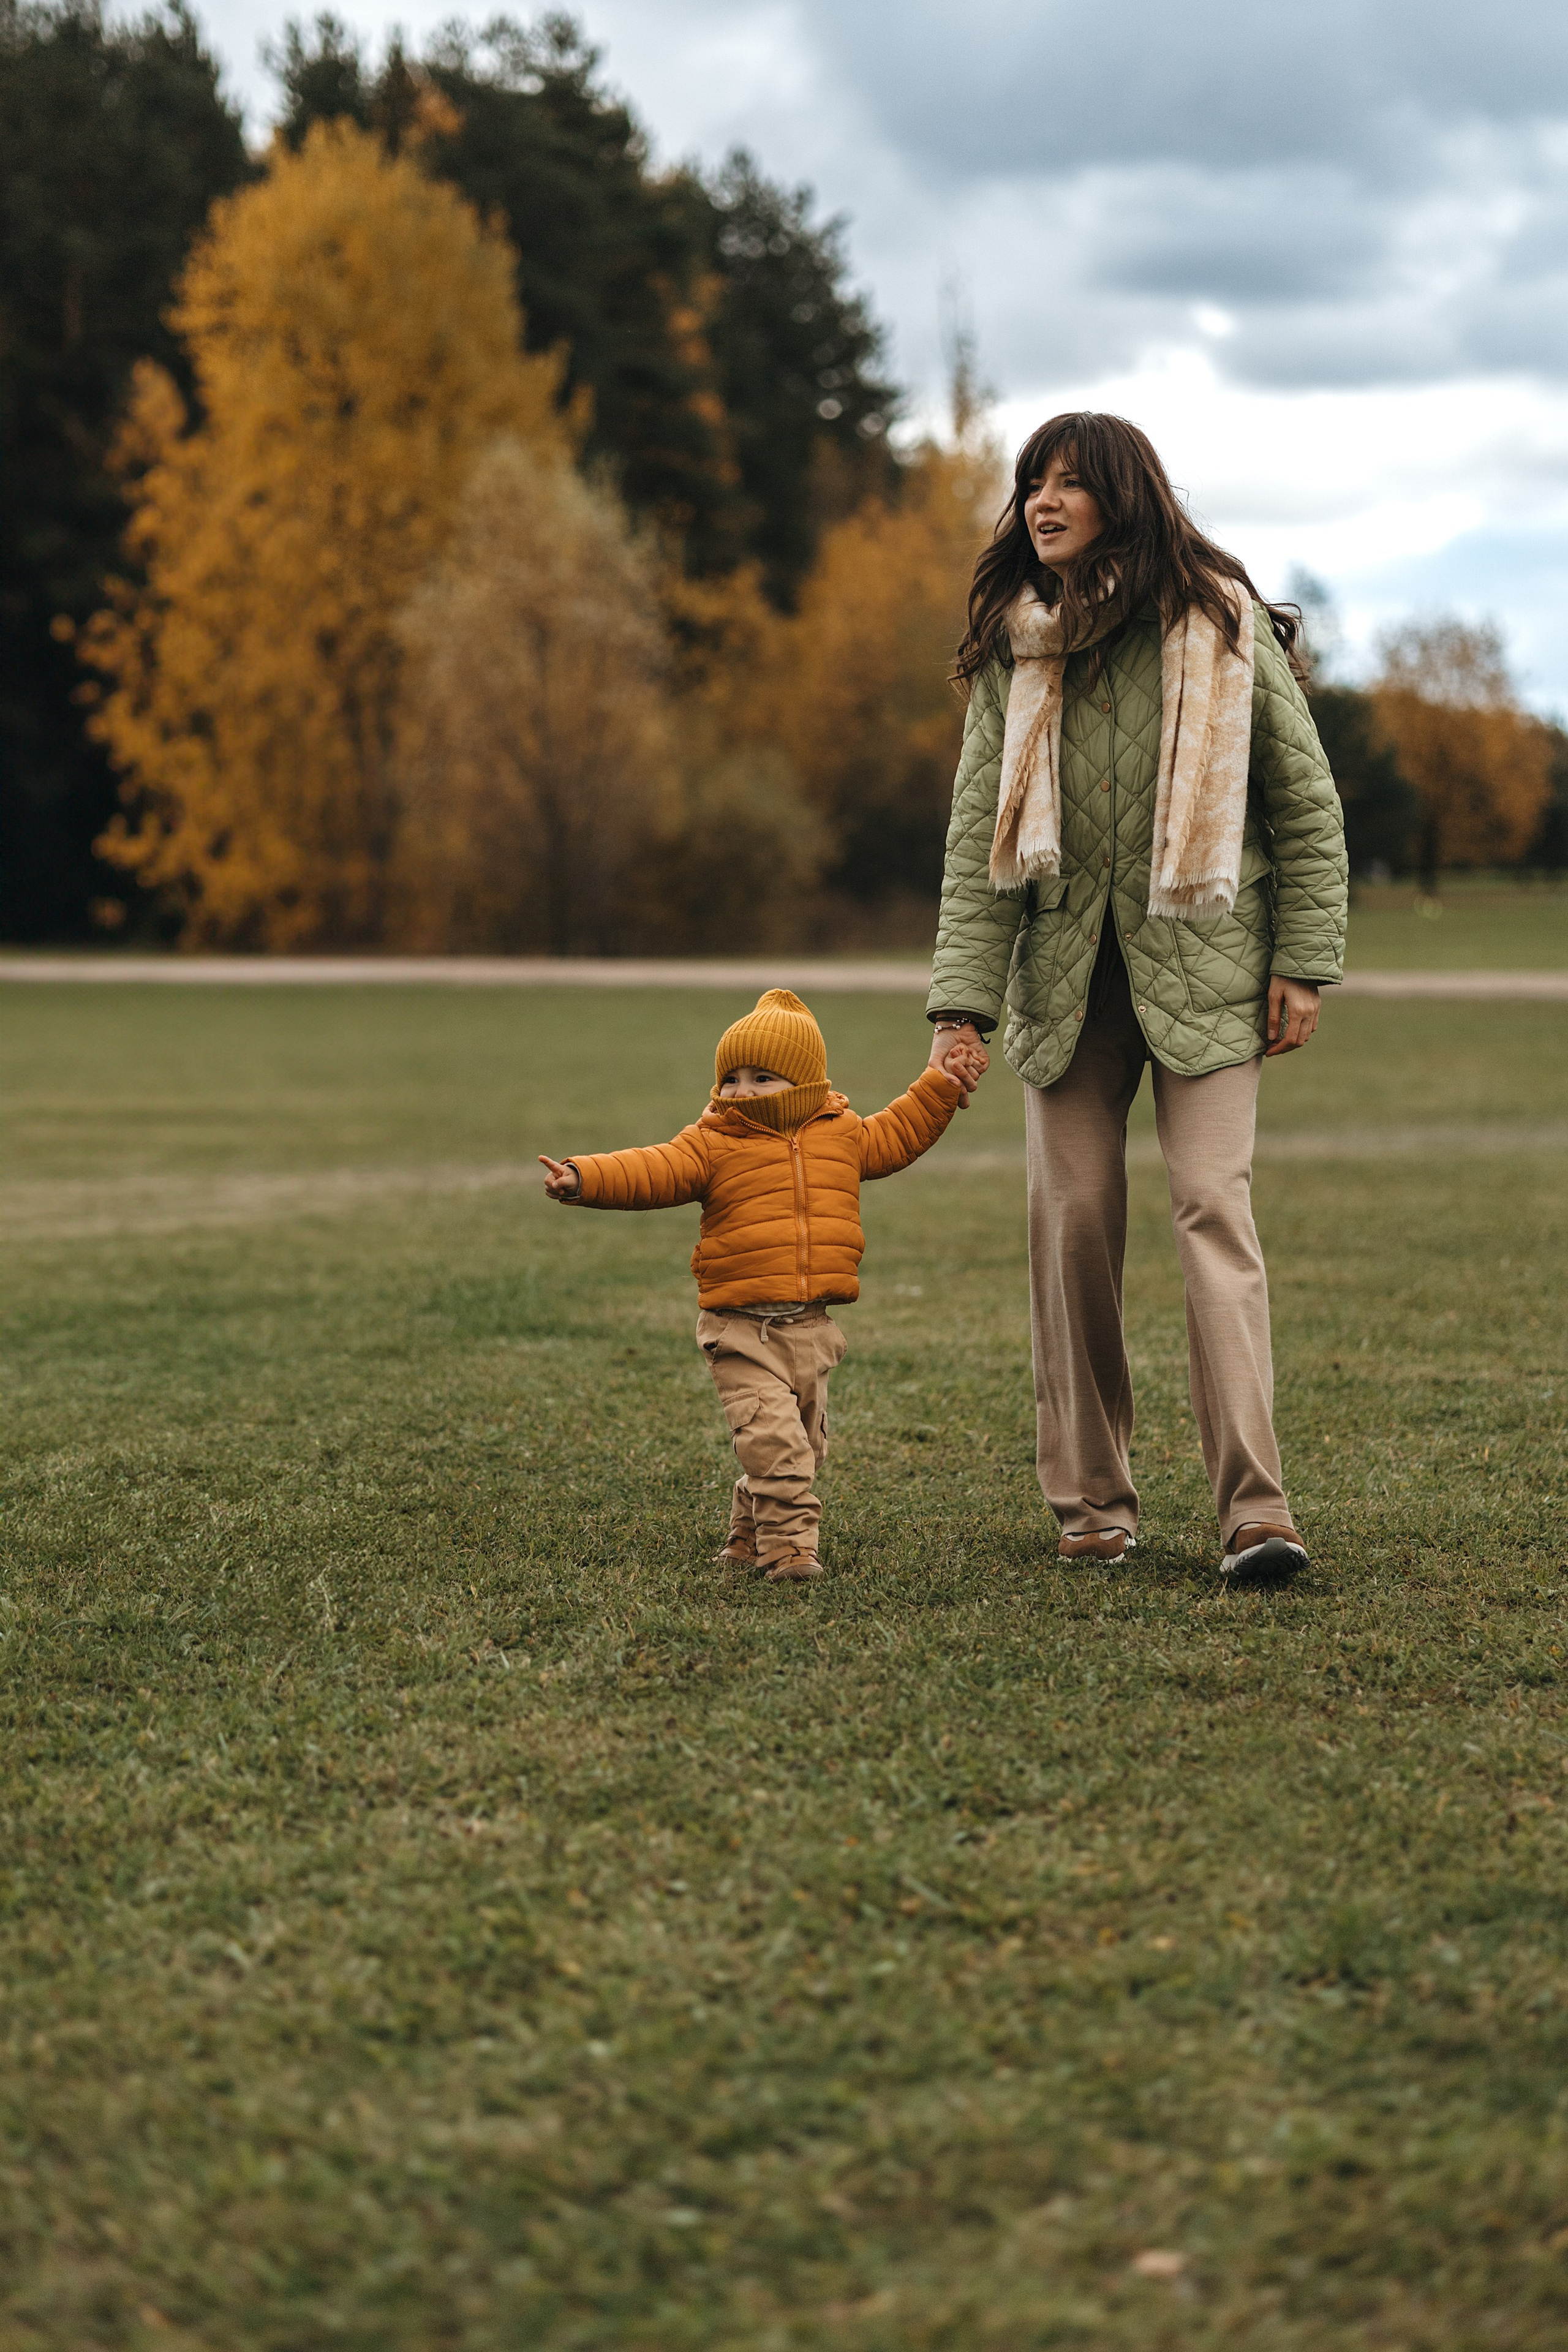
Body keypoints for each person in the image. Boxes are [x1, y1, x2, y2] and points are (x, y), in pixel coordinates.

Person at [925, 413, 1348, 1583]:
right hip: (1065, 987)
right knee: (1074, 1226)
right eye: (1030, 486)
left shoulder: (1219, 626)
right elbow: (977, 841)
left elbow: (1304, 808)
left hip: (1211, 974)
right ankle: (1093, 1505)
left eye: (1069, 483)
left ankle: (1256, 1513)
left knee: (1213, 1210)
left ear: (1125, 497)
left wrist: (1303, 964)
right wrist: (962, 1006)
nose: (1042, 503)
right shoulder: (1015, 649)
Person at [540, 988, 985, 1581]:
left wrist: (940, 1085)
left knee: (802, 1448)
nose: (741, 1092)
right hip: (739, 1331)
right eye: (731, 1080)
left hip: (811, 1330)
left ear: (804, 1085)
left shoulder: (842, 1134)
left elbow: (899, 1131)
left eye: (762, 1078)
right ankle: (789, 1550)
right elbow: (651, 1168)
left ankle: (746, 1539)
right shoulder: (712, 1143)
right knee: (777, 1449)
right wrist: (583, 1177)